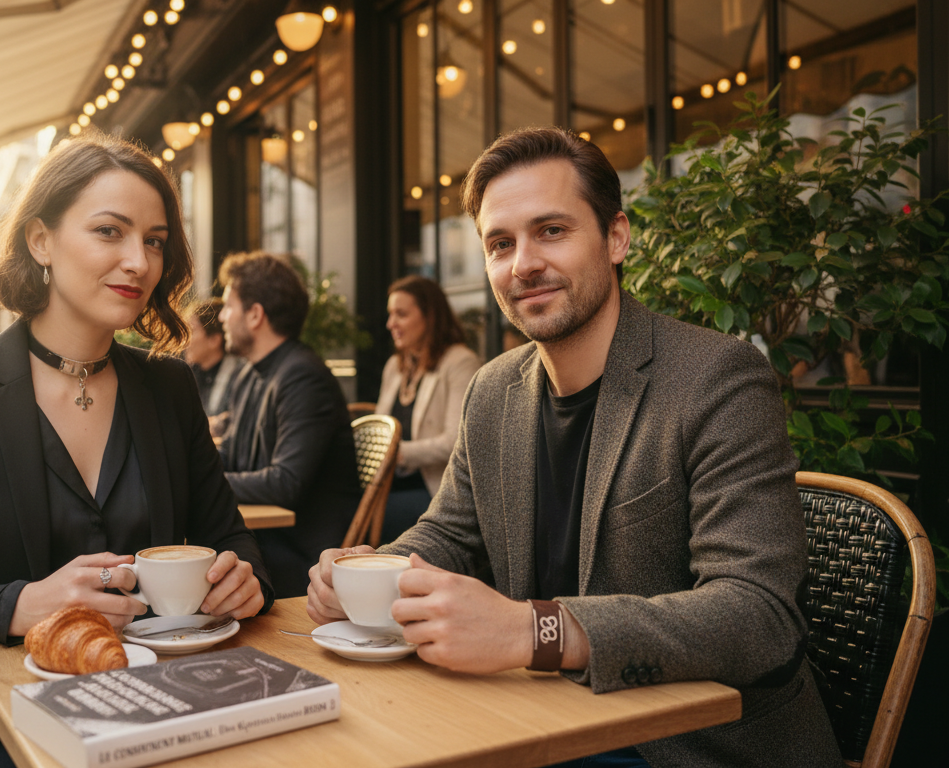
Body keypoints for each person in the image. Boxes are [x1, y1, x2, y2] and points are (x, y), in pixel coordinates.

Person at [307, 127, 841, 768]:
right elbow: (448, 536)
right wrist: (366, 577)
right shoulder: (495, 389)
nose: (523, 262)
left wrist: (534, 630)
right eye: (500, 244)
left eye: (551, 231)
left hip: (687, 746)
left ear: (615, 239)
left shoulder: (716, 378)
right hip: (535, 717)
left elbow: (759, 615)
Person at [0, 135, 272, 768]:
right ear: (40, 241)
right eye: (110, 231)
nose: (138, 260)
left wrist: (243, 582)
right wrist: (20, 605)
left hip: (153, 706)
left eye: (155, 240)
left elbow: (235, 545)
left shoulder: (168, 386)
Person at [216, 252, 361, 599]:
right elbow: (231, 456)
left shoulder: (302, 376)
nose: (221, 316)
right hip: (266, 541)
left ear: (255, 315)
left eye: (228, 306)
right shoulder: (250, 373)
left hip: (305, 559)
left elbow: (285, 484)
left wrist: (200, 483)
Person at [375, 275, 481, 541]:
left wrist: (396, 454)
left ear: (429, 316)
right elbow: (379, 432)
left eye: (401, 314)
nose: (391, 324)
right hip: (389, 485)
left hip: (436, 492)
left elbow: (456, 442)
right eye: (390, 314)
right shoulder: (395, 367)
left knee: (366, 515)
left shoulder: (459, 362)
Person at [184, 297, 245, 418]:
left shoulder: (239, 377)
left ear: (214, 340)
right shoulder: (187, 373)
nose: (185, 339)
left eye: (192, 330)